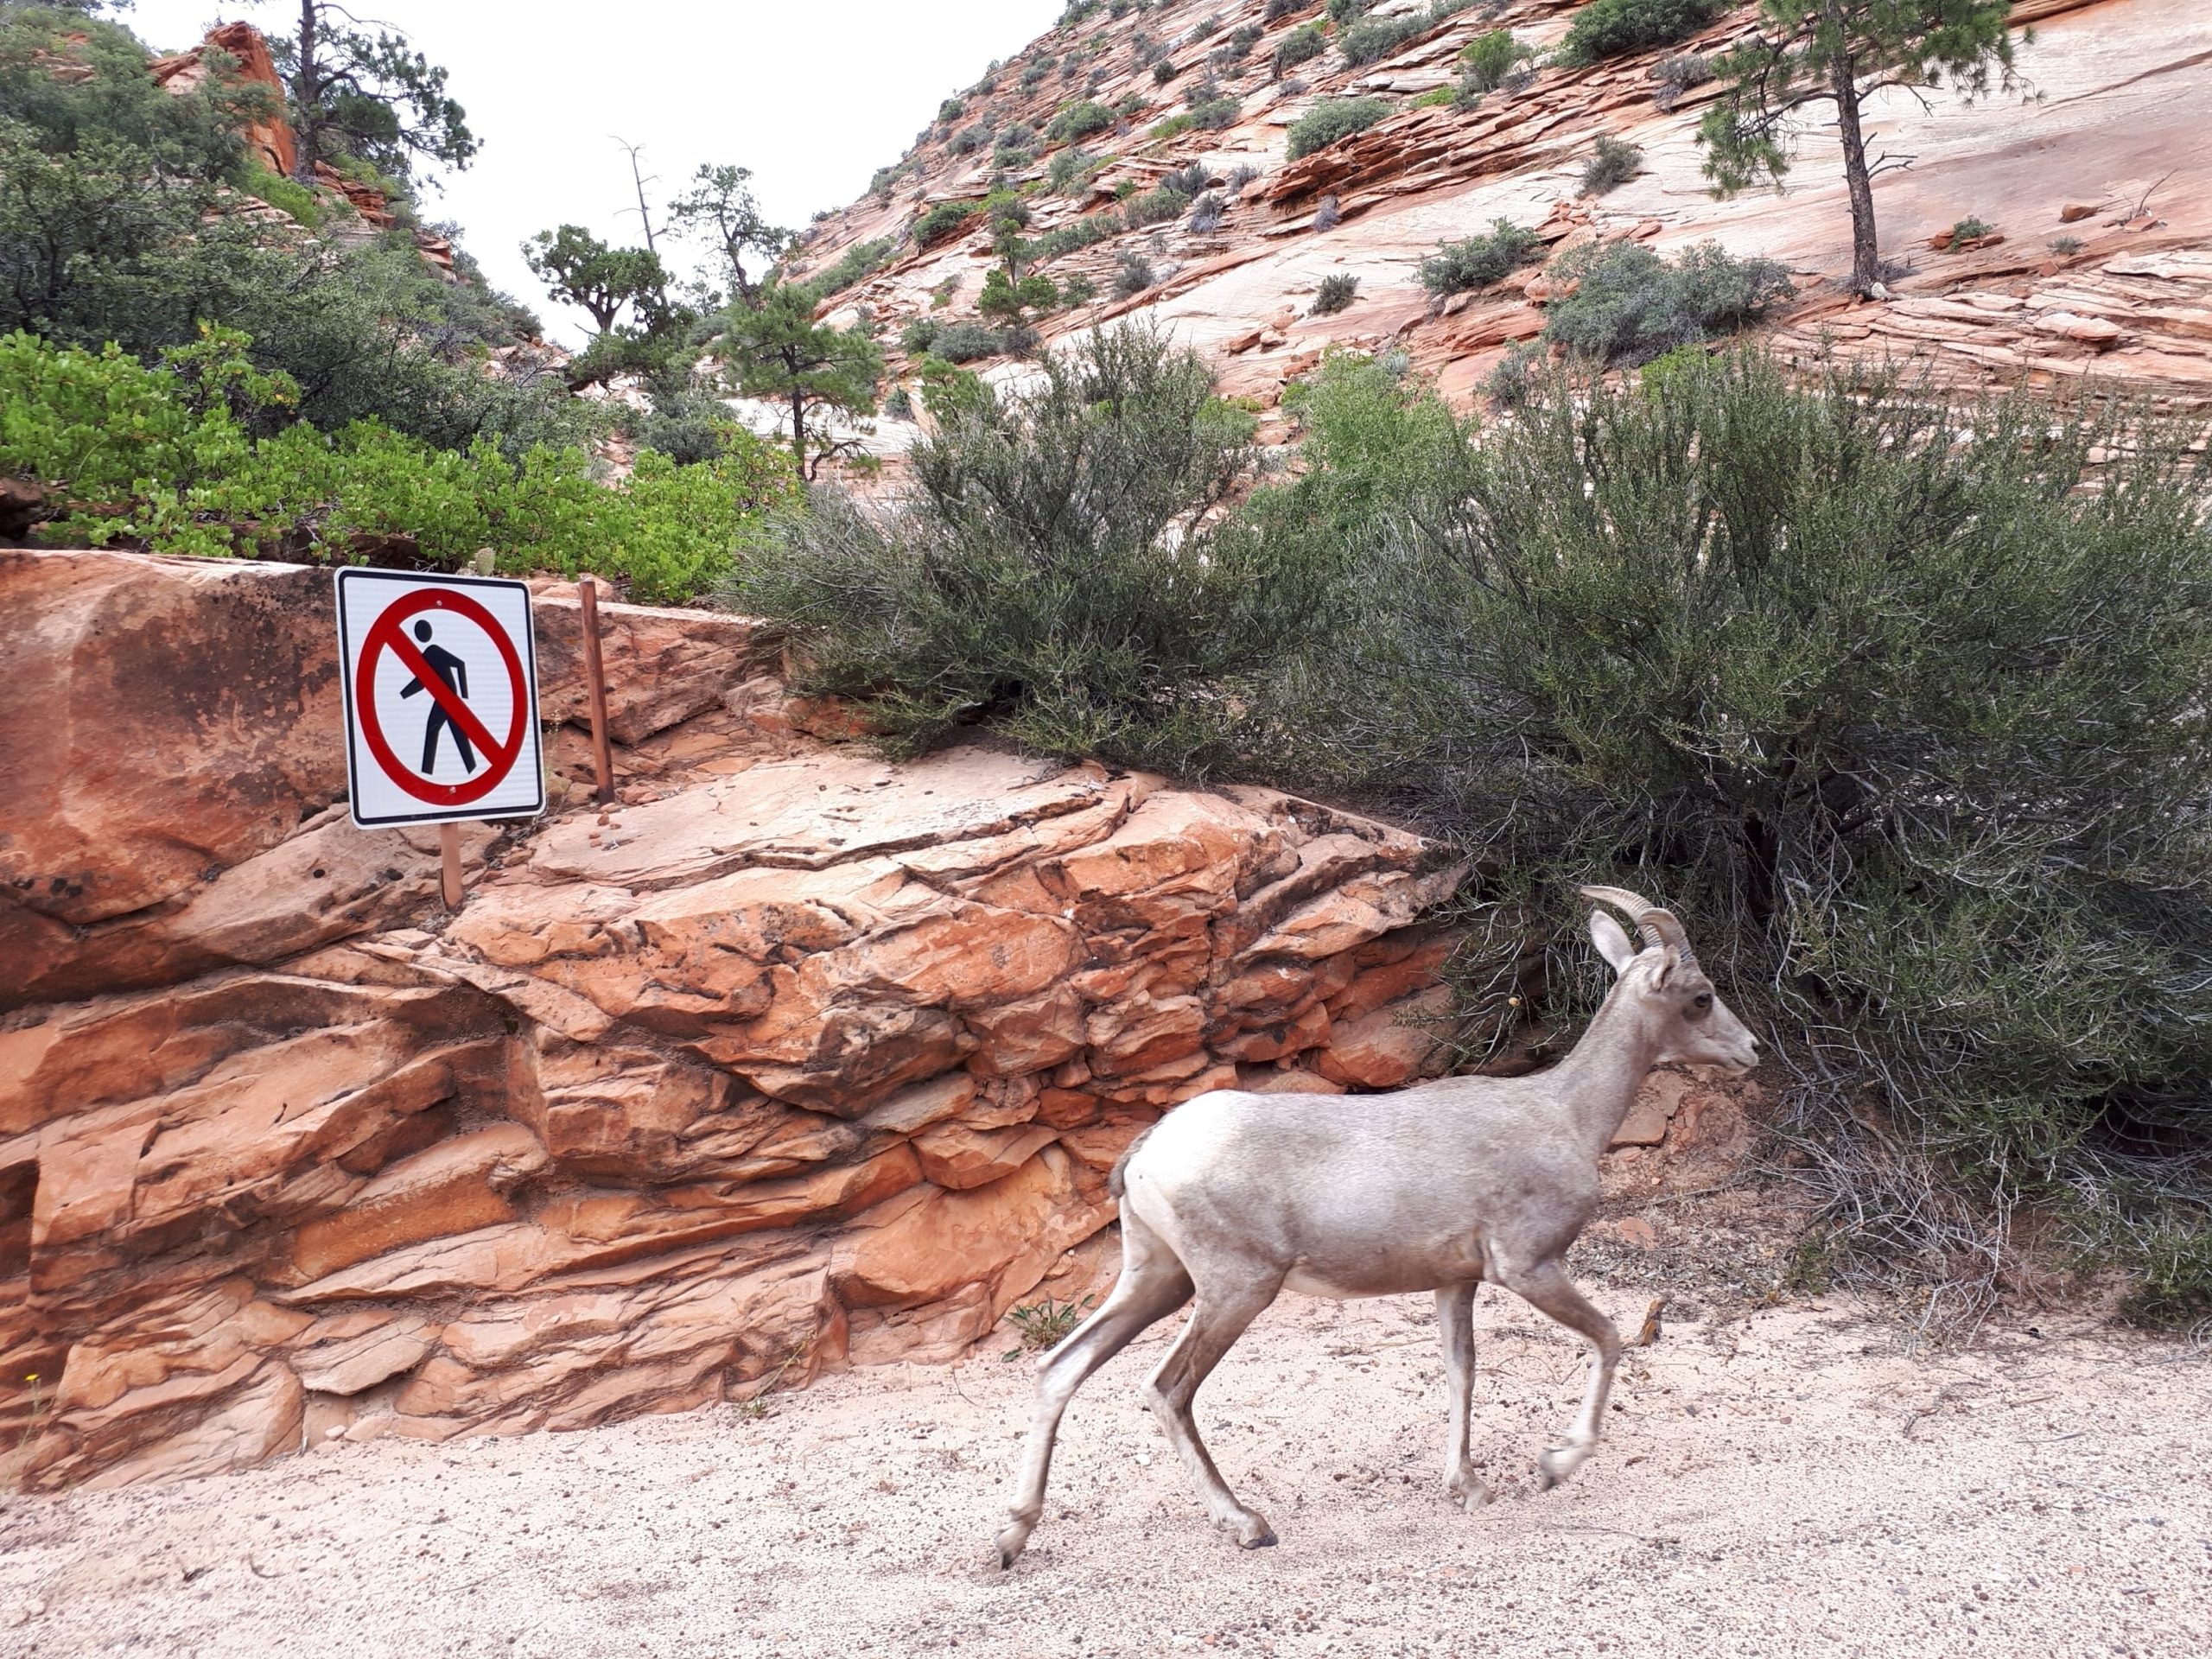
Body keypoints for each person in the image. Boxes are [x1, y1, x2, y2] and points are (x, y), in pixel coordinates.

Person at [398, 619, 476, 775]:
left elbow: (459, 664)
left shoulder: (433, 651)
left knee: (433, 730)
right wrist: (403, 695)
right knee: (458, 733)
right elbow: (422, 681)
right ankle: (471, 768)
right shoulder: (426, 655)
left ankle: (427, 772)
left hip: (448, 698)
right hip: (444, 698)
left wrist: (465, 694)